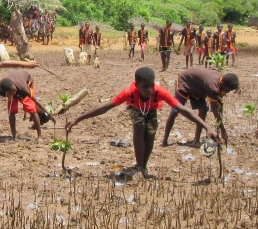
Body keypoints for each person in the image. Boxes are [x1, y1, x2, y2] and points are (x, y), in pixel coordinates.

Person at [66, 66, 213, 179]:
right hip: (135, 108)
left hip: (152, 109)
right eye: (145, 87)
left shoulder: (159, 92)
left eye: (151, 85)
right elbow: (104, 107)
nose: (149, 90)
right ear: (136, 85)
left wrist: (207, 127)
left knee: (151, 132)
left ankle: (143, 166)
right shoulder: (129, 93)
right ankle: (139, 165)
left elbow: (183, 109)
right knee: (139, 126)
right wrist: (77, 119)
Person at [162, 68, 240, 146]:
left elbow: (218, 104)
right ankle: (164, 141)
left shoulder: (222, 80)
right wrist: (223, 130)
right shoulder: (212, 87)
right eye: (228, 90)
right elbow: (214, 110)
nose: (228, 92)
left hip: (199, 87)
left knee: (203, 110)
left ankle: (196, 141)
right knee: (174, 111)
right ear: (223, 84)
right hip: (185, 81)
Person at [0, 72, 54, 139]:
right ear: (7, 92)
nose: (15, 92)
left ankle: (39, 135)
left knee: (31, 108)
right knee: (11, 111)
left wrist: (48, 113)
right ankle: (14, 135)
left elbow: (36, 101)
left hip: (26, 82)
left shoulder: (24, 88)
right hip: (14, 86)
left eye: (14, 90)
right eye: (12, 92)